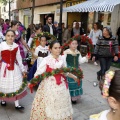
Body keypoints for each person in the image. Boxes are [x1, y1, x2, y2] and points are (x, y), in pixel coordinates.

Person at [30, 40, 80, 120]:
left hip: (62, 86)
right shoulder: (46, 60)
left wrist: (74, 77)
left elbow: (65, 72)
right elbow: (38, 73)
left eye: (59, 48)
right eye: (55, 48)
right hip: (50, 86)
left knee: (61, 104)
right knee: (51, 105)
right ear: (50, 49)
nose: (58, 50)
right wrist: (34, 81)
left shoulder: (62, 58)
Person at [0, 30, 27, 110]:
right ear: (5, 37)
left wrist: (22, 69)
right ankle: (3, 99)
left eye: (12, 36)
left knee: (15, 85)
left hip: (14, 67)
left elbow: (19, 58)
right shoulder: (2, 45)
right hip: (4, 68)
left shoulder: (16, 46)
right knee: (4, 84)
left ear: (15, 37)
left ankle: (17, 104)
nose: (10, 37)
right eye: (8, 36)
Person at [63, 39, 90, 104]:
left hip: (77, 70)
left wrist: (85, 58)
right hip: (69, 70)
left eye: (76, 44)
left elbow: (80, 61)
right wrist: (66, 69)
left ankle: (74, 98)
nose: (74, 45)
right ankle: (69, 97)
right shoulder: (66, 52)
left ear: (77, 45)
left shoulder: (78, 52)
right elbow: (64, 61)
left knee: (76, 83)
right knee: (70, 83)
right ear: (69, 44)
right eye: (73, 44)